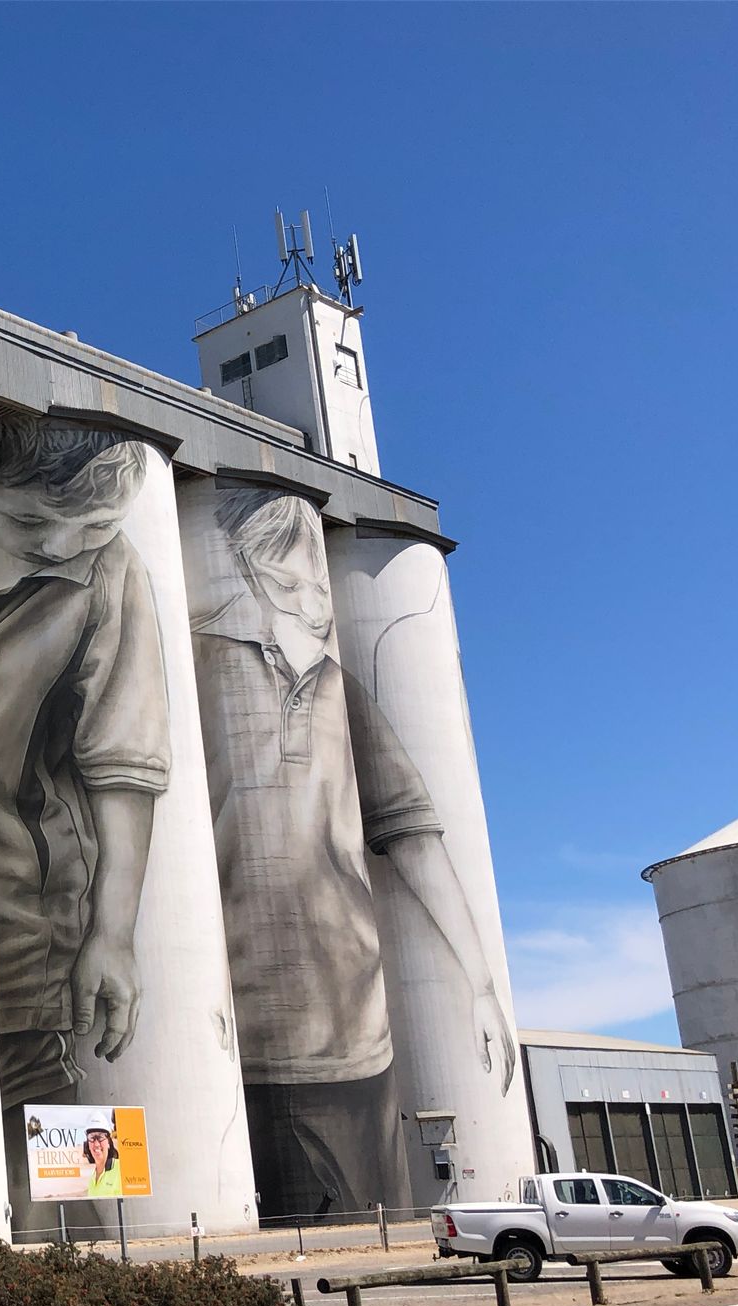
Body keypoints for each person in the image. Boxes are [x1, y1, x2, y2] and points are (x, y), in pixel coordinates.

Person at [191, 489, 512, 1221]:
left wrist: (481, 983)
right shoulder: (202, 665)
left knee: (373, 1222)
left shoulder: (343, 693)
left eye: (316, 581)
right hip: (243, 1031)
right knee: (252, 1224)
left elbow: (414, 839)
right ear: (247, 572)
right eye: (287, 583)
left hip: (355, 1041)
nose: (313, 602)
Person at [0, 418, 171, 1225]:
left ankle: (88, 1283)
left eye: (92, 528)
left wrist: (113, 933)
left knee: (57, 1154)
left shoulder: (112, 571)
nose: (60, 547)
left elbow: (124, 757)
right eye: (30, 524)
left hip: (25, 925)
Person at [82, 1126, 122, 1198]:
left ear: (109, 1142)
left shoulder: (121, 1169)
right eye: (92, 1138)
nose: (96, 1144)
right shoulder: (92, 1179)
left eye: (101, 1137)